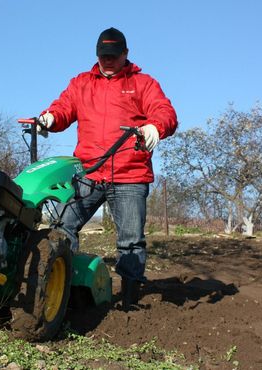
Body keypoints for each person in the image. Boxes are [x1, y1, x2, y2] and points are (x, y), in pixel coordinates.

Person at [38, 27, 177, 310]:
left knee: (130, 240)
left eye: (114, 55)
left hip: (129, 174)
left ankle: (129, 300)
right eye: (103, 56)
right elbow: (64, 108)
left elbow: (165, 112)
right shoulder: (81, 83)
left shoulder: (142, 83)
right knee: (64, 226)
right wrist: (50, 118)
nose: (108, 61)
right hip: (89, 172)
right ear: (97, 55)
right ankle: (61, 287)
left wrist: (155, 127)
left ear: (126, 54)